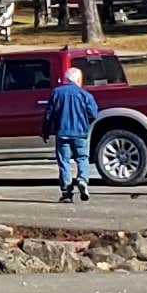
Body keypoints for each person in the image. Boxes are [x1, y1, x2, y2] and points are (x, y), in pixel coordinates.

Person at [44, 63, 99, 202]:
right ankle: (82, 180)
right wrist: (86, 122)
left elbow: (49, 114)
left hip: (62, 132)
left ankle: (66, 192)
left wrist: (45, 130)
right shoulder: (85, 95)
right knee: (82, 158)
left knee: (64, 162)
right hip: (80, 132)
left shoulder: (57, 93)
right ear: (78, 80)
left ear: (66, 79)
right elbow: (93, 113)